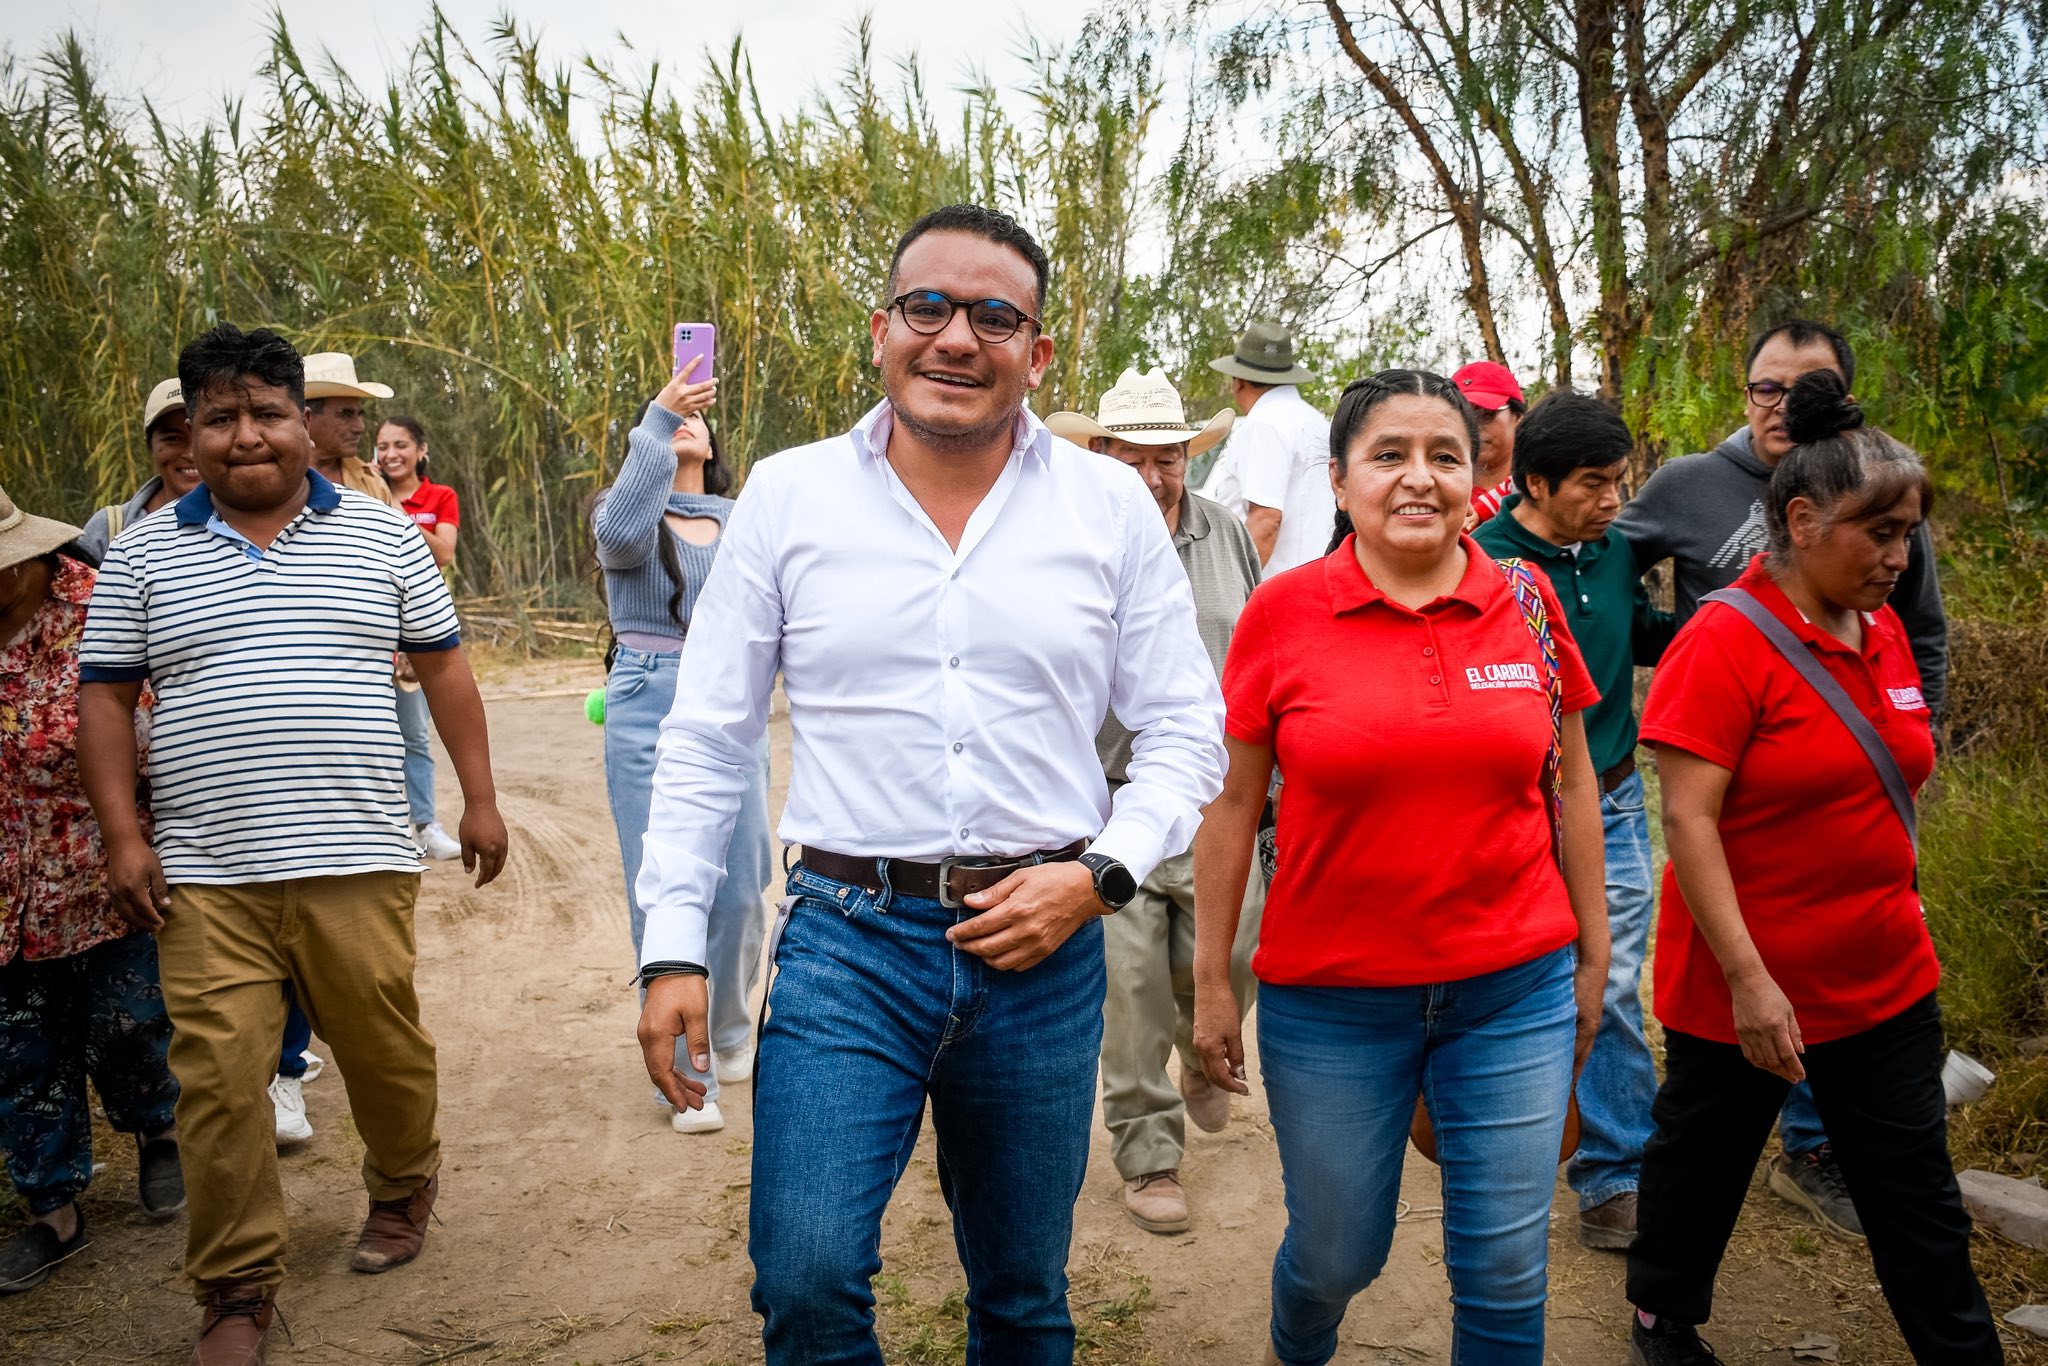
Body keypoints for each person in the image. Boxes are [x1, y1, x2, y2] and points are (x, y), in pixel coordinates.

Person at [633, 204, 1225, 1363]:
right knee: (804, 1281)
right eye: (928, 307)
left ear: (1036, 353)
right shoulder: (789, 496)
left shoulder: (1106, 506)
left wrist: (1098, 876)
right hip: (848, 939)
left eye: (994, 316)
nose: (956, 336)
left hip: (1042, 942)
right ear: (881, 331)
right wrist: (670, 949)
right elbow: (707, 737)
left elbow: (1184, 727)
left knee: (1020, 1289)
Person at [75, 324, 509, 1366]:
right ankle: (234, 1286)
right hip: (207, 875)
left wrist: (481, 801)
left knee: (382, 1051)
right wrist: (123, 836)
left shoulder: (383, 537)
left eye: (266, 412)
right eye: (219, 417)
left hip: (357, 859)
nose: (245, 435)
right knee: (220, 1082)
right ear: (190, 431)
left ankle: (402, 1183)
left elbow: (444, 669)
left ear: (302, 425)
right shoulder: (140, 554)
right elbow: (105, 697)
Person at [1192, 368, 1610, 1366]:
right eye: (1388, 455)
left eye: (1443, 455)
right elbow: (1231, 803)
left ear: (1476, 479)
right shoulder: (1283, 612)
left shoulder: (1523, 598)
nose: (1418, 477)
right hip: (1332, 1001)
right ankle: (1298, 1341)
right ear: (1338, 482)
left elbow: (1574, 781)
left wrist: (1593, 955)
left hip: (1513, 991)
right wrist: (1211, 980)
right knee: (1337, 1254)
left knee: (1505, 1272)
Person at [1625, 371, 2000, 1365]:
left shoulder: (1881, 629)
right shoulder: (1723, 641)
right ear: (1800, 520)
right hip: (1747, 984)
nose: (1899, 557)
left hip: (1883, 974)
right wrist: (1750, 981)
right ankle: (1662, 1316)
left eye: (1907, 532)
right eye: (1878, 533)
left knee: (1915, 1198)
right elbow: (1688, 819)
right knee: (1703, 1164)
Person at [1047, 368, 1259, 1236]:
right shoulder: (1067, 535)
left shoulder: (1226, 532)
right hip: (1111, 801)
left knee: (1233, 956)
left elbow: (1256, 646)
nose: (1151, 475)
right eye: (1131, 457)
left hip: (1219, 798)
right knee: (1129, 989)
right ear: (1099, 454)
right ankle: (1148, 1154)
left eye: (1167, 456)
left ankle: (1203, 1048)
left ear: (1188, 458)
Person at [1472, 392, 1674, 1249]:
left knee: (1610, 973)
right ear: (1536, 482)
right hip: (1511, 808)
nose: (1612, 500)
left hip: (1613, 797)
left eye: (1618, 482)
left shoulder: (1614, 552)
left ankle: (1614, 1173)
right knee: (1519, 974)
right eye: (1594, 483)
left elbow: (1643, 634)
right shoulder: (1481, 563)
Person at [0, 486, 183, 1296]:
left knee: (128, 1024)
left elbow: (149, 733)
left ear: (30, 559)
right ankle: (52, 1208)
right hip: (6, 888)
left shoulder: (99, 609)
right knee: (21, 1051)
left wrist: (138, 843)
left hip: (99, 864)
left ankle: (157, 1133)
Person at [592, 362, 772, 1135]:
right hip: (646, 694)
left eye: (696, 415)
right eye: (673, 417)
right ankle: (686, 1073)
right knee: (663, 882)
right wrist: (658, 421)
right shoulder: (626, 512)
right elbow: (618, 536)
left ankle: (728, 1027)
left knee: (743, 884)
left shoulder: (741, 516)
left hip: (731, 697)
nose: (686, 421)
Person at [374, 415, 464, 863]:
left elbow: (444, 551)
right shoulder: (356, 493)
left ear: (421, 450)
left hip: (418, 635)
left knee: (413, 734)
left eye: (401, 445)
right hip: (373, 629)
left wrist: (388, 505)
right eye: (383, 446)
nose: (391, 454)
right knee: (371, 734)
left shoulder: (440, 496)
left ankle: (426, 826)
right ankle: (389, 832)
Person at [1206, 322, 1333, 574]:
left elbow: (1265, 519)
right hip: (1318, 574)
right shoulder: (1316, 421)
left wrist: (1239, 586)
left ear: (1238, 382)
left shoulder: (1264, 423)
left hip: (1277, 582)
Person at [74, 378, 200, 562]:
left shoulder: (242, 522)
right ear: (150, 447)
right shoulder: (108, 530)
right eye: (173, 439)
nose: (190, 454)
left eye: (200, 436)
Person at [302, 352, 400, 506]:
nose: (359, 427)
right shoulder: (274, 479)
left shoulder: (372, 484)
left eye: (359, 414)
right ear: (307, 418)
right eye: (345, 414)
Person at [1454, 360, 1525, 526]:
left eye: (1486, 413)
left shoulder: (1541, 485)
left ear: (1518, 418)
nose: (1474, 425)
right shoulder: (1437, 490)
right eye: (1464, 414)